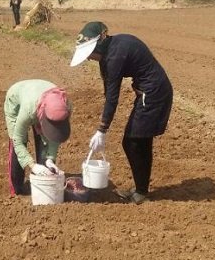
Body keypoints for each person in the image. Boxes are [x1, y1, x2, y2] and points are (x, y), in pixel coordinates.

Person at [70, 22, 173, 204]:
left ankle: (141, 192)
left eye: (89, 54)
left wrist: (102, 131)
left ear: (98, 44)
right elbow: (108, 90)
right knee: (139, 141)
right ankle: (141, 190)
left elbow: (112, 98)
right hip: (149, 91)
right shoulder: (112, 49)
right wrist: (103, 126)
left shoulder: (115, 56)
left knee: (132, 141)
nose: (88, 58)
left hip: (153, 94)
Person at [4, 80, 71, 196]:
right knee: (19, 143)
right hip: (17, 102)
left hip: (40, 100)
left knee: (44, 139)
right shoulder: (28, 110)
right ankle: (17, 190)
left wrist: (50, 158)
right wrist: (32, 165)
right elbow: (17, 141)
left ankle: (44, 185)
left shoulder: (65, 106)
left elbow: (56, 135)